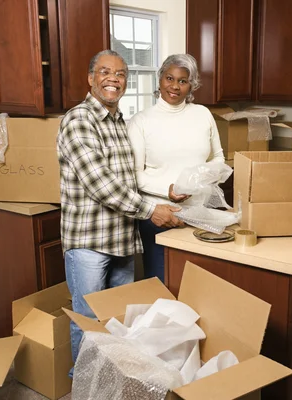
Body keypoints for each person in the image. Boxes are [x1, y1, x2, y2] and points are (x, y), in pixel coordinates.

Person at [56, 49, 183, 371]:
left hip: (122, 239)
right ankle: (83, 386)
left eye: (121, 73)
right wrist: (150, 209)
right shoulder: (79, 120)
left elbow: (130, 178)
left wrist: (166, 192)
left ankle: (111, 381)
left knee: (120, 320)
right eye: (105, 72)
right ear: (91, 79)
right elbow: (100, 183)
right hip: (89, 243)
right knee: (88, 321)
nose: (113, 78)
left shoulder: (118, 121)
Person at [128, 54, 225, 283]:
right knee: (164, 284)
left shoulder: (202, 114)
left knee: (199, 284)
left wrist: (198, 180)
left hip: (199, 213)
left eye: (183, 81)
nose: (175, 86)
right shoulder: (141, 121)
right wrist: (169, 190)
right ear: (160, 78)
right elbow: (134, 175)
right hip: (160, 216)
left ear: (192, 85)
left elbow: (219, 158)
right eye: (169, 78)